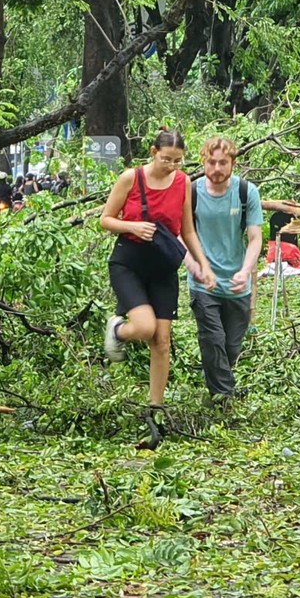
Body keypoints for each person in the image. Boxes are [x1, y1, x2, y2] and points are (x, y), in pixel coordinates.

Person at [99, 129, 213, 448]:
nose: (172, 166)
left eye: (178, 161)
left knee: (162, 340)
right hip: (129, 262)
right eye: (166, 160)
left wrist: (202, 264)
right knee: (146, 327)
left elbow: (187, 230)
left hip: (163, 264)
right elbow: (106, 220)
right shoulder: (130, 178)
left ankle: (155, 409)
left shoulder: (183, 183)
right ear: (153, 152)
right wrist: (132, 225)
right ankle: (119, 329)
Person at [186, 136, 264, 402]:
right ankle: (223, 399)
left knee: (231, 347)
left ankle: (218, 382)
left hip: (236, 284)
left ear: (233, 163)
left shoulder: (246, 192)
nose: (217, 169)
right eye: (211, 162)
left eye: (223, 163)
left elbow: (255, 238)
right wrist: (193, 264)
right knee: (213, 339)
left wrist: (245, 271)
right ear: (203, 162)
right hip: (203, 283)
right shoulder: (191, 192)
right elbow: (180, 234)